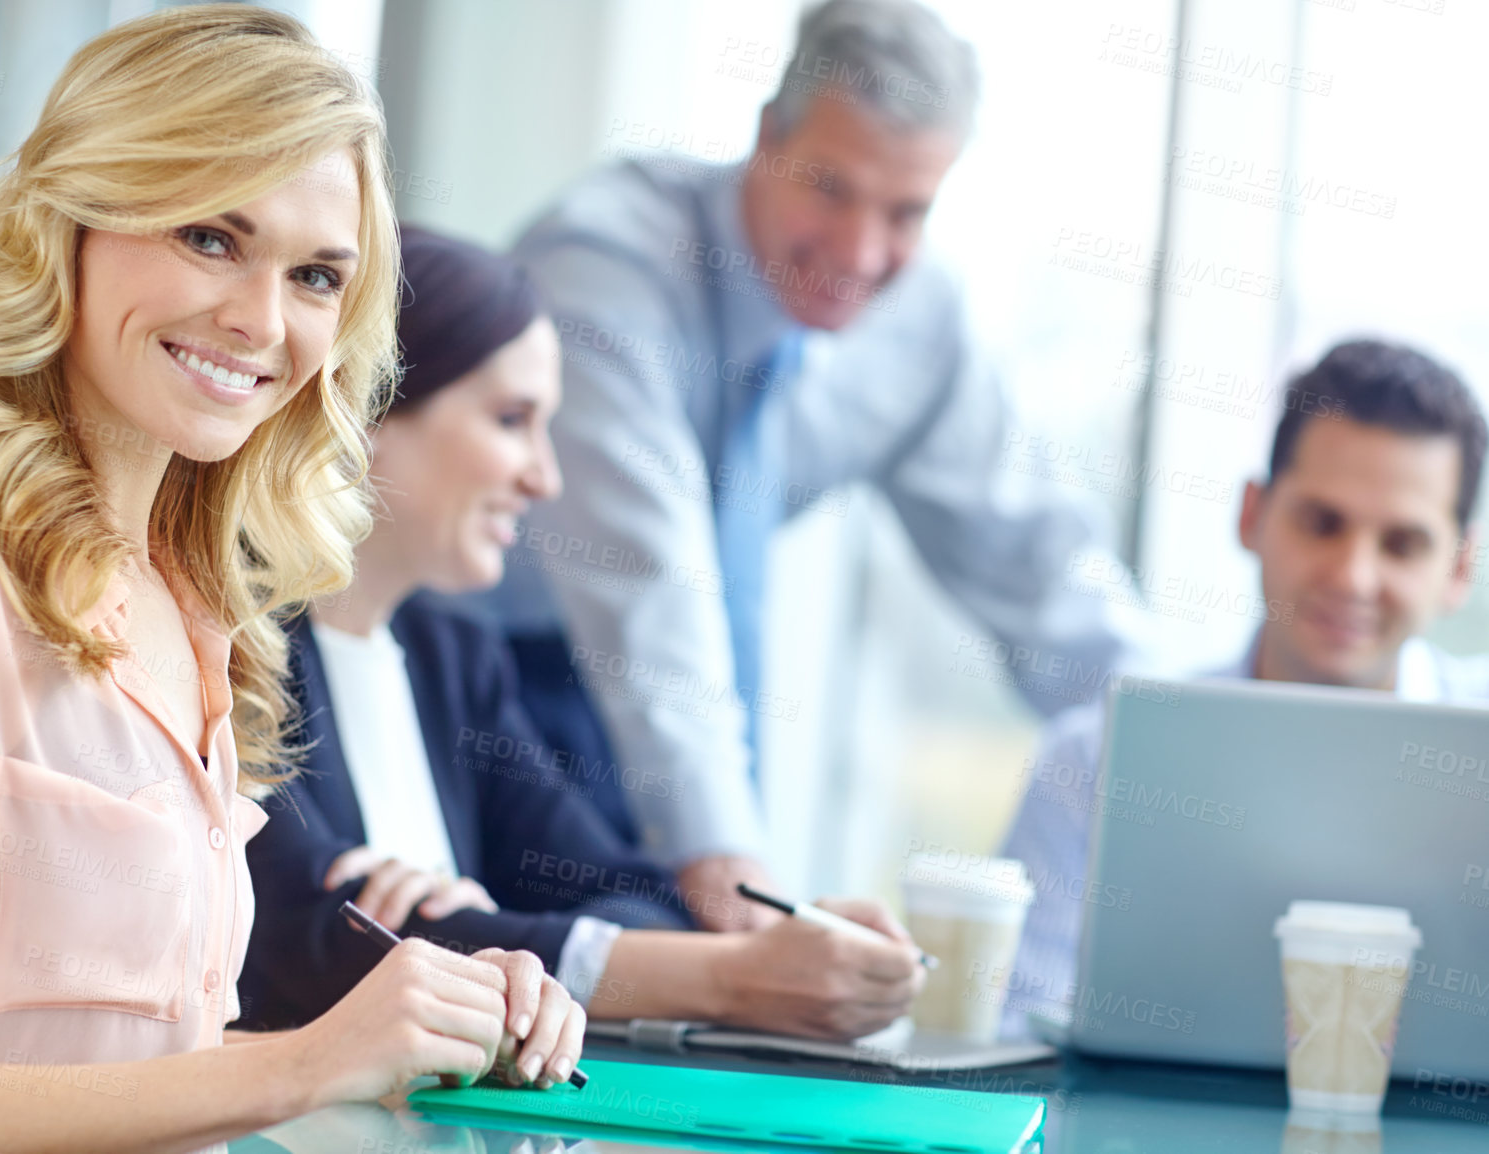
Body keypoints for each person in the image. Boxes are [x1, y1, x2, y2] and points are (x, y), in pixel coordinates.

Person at [0, 10, 580, 1153]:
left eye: (315, 275)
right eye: (207, 235)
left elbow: (111, 1074)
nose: (258, 318)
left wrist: (415, 1025)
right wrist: (304, 1061)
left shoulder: (197, 604)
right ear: (75, 224)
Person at [476, 0, 1140, 923]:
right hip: (495, 683)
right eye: (830, 188)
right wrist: (739, 888)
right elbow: (647, 582)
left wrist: (1180, 745)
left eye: (906, 211)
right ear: (765, 138)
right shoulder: (605, 261)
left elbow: (1033, 557)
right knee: (594, 969)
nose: (861, 253)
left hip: (674, 704)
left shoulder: (919, 321)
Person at [240, 226, 929, 1045]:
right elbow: (310, 947)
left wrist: (479, 925)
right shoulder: (234, 648)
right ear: (364, 409)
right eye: (510, 419)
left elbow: (642, 900)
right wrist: (737, 978)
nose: (545, 477)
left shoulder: (452, 660)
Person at [1000, 338, 1489, 1028]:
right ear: (1251, 513)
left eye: (1402, 544)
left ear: (1461, 567)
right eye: (1323, 523)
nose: (1353, 577)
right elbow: (1013, 1033)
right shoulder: (1091, 766)